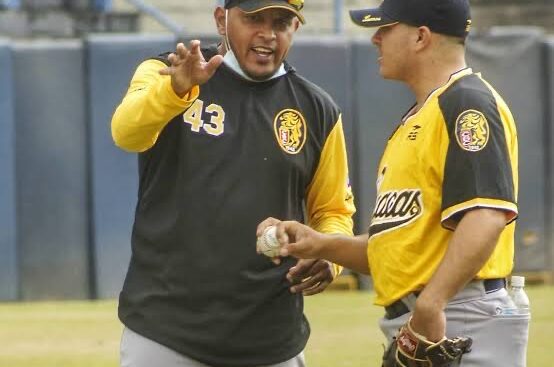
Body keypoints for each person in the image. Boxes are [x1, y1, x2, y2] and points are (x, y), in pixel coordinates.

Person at [259, 0, 529, 366]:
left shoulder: (467, 103)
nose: (375, 39)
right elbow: (398, 249)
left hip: (460, 313)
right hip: (432, 313)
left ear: (420, 37)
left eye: (386, 28)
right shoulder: (422, 115)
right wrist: (320, 244)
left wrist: (432, 304)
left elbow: (486, 216)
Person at [111, 0, 356, 366]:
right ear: (221, 19)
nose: (268, 34)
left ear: (296, 29)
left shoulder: (317, 109)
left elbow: (334, 211)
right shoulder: (167, 71)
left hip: (271, 339)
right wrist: (174, 91)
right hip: (165, 331)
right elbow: (126, 132)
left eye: (282, 22)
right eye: (254, 19)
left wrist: (329, 255)